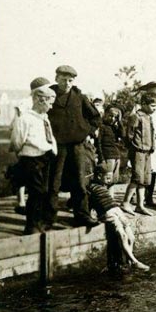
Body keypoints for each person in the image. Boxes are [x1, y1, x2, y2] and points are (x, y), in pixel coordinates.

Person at [47, 64, 101, 226]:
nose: (67, 83)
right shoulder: (49, 95)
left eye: (70, 80)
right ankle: (48, 218)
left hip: (77, 146)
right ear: (56, 79)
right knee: (53, 182)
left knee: (79, 182)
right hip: (57, 146)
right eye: (63, 80)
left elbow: (96, 118)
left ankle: (82, 216)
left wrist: (86, 131)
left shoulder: (79, 97)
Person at [9, 83, 58, 234]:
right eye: (49, 103)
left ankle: (40, 222)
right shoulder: (25, 119)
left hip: (45, 158)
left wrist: (52, 151)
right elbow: (17, 141)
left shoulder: (44, 118)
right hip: (32, 159)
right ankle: (31, 226)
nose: (51, 107)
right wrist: (22, 154)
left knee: (44, 192)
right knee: (36, 192)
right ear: (40, 100)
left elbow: (49, 138)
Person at [87, 163, 149, 271]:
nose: (109, 180)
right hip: (108, 213)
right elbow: (87, 203)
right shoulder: (91, 188)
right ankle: (134, 261)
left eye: (110, 178)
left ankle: (128, 261)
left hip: (117, 210)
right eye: (107, 178)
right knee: (122, 235)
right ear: (98, 176)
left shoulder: (103, 187)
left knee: (131, 237)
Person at [122, 92, 155, 215]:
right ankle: (125, 202)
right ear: (144, 104)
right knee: (137, 178)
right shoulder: (135, 117)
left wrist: (152, 147)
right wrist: (135, 148)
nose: (154, 109)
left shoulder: (149, 117)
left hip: (147, 152)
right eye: (152, 106)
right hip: (138, 152)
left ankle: (140, 205)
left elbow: (151, 134)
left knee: (145, 180)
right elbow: (129, 135)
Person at [97, 107, 124, 185]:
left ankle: (110, 197)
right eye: (111, 116)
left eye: (115, 117)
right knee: (106, 181)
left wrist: (119, 122)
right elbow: (99, 143)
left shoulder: (115, 128)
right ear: (106, 115)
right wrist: (101, 158)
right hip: (107, 156)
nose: (112, 119)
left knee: (113, 181)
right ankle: (104, 196)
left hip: (116, 156)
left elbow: (123, 135)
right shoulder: (102, 127)